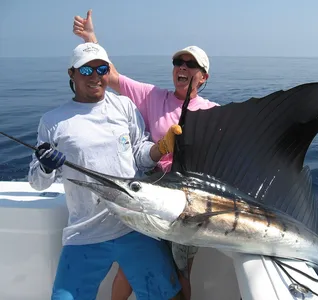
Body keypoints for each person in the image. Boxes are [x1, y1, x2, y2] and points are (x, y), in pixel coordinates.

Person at [73, 9, 219, 300]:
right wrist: (91, 38)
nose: (183, 67)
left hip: (190, 198)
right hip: (152, 189)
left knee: (180, 270)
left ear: (203, 77)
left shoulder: (215, 113)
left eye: (191, 65)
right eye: (179, 62)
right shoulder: (154, 96)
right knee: (130, 266)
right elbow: (111, 77)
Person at [28, 42, 183, 300]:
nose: (95, 76)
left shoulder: (124, 107)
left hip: (134, 225)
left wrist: (159, 149)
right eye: (86, 71)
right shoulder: (53, 121)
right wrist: (45, 167)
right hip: (85, 233)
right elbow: (37, 183)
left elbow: (139, 156)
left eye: (101, 69)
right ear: (72, 74)